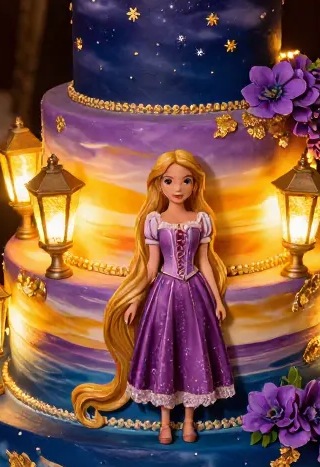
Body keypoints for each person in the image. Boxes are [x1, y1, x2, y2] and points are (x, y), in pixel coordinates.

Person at [72, 149, 233, 442]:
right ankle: (164, 421)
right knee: (165, 352)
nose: (178, 188)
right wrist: (135, 298)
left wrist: (217, 299)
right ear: (159, 184)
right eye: (170, 181)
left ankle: (188, 420)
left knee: (194, 352)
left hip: (195, 292)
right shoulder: (154, 221)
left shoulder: (201, 220)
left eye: (185, 181)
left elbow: (206, 261)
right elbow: (150, 266)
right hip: (164, 293)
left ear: (195, 184)